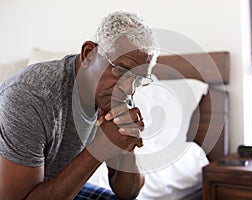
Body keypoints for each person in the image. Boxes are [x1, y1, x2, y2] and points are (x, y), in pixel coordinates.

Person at [0, 11, 159, 200]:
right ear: (89, 54)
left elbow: (128, 193)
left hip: (55, 187)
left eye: (138, 79)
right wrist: (100, 148)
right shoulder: (31, 95)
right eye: (120, 70)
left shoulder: (117, 93)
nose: (129, 89)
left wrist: (126, 145)